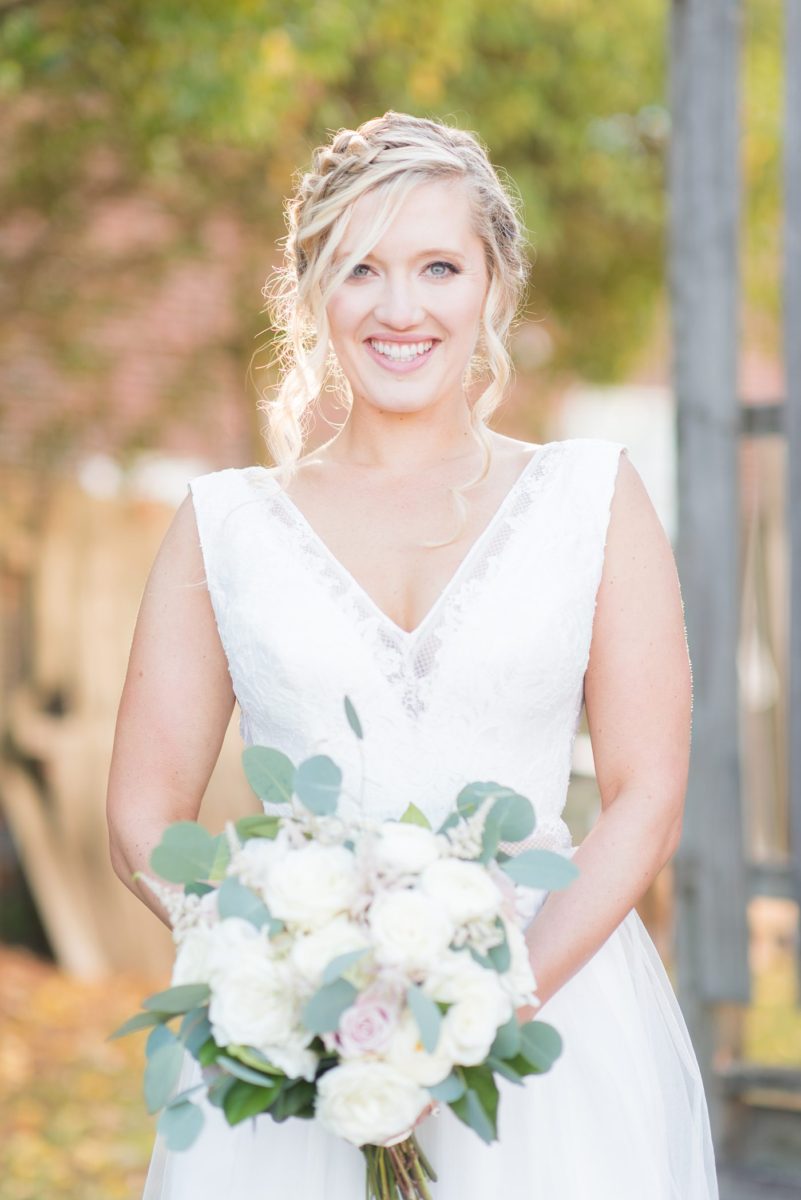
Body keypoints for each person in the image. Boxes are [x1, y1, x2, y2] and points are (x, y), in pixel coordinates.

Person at [106, 111, 718, 1199]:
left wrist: (472, 1016)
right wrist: (287, 981)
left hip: (555, 1039)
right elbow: (143, 820)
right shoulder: (223, 525)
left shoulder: (592, 497)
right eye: (360, 270)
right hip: (297, 1071)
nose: (400, 309)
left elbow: (646, 796)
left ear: (494, 284)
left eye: (438, 265)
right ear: (310, 293)